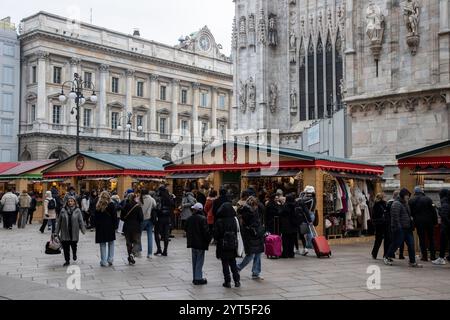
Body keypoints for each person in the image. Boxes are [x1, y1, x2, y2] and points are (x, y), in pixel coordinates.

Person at [384, 188, 423, 268]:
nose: (408, 197)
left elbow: (407, 214)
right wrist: (398, 228)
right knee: (396, 244)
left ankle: (412, 262)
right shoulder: (396, 204)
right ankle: (387, 257)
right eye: (406, 195)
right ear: (402, 195)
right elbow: (395, 217)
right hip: (400, 228)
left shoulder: (406, 203)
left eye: (408, 195)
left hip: (407, 228)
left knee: (411, 245)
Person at [237, 196, 265, 280]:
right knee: (251, 254)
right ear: (253, 204)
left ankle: (256, 272)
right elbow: (253, 224)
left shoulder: (251, 211)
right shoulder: (248, 212)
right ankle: (238, 267)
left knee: (258, 253)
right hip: (252, 236)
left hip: (255, 236)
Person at [214, 202, 241, 288]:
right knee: (233, 262)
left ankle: (227, 281)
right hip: (232, 244)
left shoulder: (219, 220)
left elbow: (216, 234)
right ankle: (237, 281)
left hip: (223, 245)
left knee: (225, 264)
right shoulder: (234, 219)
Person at [185, 203, 211, 285]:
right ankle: (198, 278)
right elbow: (206, 232)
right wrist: (208, 240)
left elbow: (186, 228)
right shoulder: (203, 219)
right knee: (199, 261)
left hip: (192, 243)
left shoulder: (189, 218)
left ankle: (195, 277)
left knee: (195, 261)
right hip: (200, 243)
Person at [409, 186, 437, 261]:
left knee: (422, 239)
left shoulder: (411, 200)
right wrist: (435, 222)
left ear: (415, 192)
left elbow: (410, 213)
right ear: (421, 191)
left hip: (419, 222)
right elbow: (433, 211)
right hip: (429, 222)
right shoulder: (428, 199)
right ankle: (433, 256)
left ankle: (424, 256)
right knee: (431, 238)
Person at [56, 196, 86, 266]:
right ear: (66, 202)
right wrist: (56, 232)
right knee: (66, 247)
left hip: (74, 232)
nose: (70, 203)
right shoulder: (63, 210)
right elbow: (59, 221)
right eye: (69, 201)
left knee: (74, 246)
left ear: (74, 202)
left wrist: (83, 229)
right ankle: (67, 260)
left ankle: (74, 254)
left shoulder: (77, 210)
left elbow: (81, 221)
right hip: (65, 232)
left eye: (71, 201)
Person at [93, 191, 118, 267]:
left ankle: (103, 261)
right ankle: (110, 259)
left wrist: (96, 226)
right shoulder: (111, 205)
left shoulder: (98, 205)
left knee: (102, 244)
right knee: (111, 243)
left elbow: (95, 218)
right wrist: (115, 226)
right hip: (110, 226)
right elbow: (114, 217)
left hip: (100, 227)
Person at [121, 193, 143, 265]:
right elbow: (141, 218)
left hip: (127, 227)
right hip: (136, 227)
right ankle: (132, 255)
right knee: (136, 242)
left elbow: (122, 217)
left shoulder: (125, 206)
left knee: (129, 243)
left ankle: (130, 256)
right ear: (135, 198)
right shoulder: (138, 206)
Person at [154, 186, 174, 256]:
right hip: (168, 218)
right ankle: (165, 250)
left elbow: (157, 208)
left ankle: (159, 249)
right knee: (166, 235)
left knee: (156, 233)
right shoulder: (170, 198)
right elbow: (172, 208)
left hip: (160, 218)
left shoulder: (159, 199)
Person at [433, 189, 450, 265]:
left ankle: (441, 258)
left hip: (446, 227)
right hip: (447, 226)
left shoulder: (445, 203)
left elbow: (444, 216)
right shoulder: (447, 202)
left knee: (443, 243)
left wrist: (439, 211)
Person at [280, 194, 299, 258]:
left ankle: (285, 253)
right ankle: (291, 253)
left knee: (285, 240)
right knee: (292, 241)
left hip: (286, 226)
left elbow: (281, 213)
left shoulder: (285, 206)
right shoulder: (295, 205)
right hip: (294, 226)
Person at [371, 193, 389, 259]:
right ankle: (385, 255)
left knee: (378, 240)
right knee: (386, 240)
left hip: (378, 225)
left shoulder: (375, 205)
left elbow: (373, 216)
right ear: (382, 198)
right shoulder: (384, 204)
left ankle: (374, 253)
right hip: (384, 224)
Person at [140, 189, 157, 259]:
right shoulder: (152, 199)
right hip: (150, 219)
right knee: (150, 236)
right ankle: (149, 253)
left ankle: (139, 250)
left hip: (142, 219)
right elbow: (155, 206)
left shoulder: (140, 200)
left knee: (139, 234)